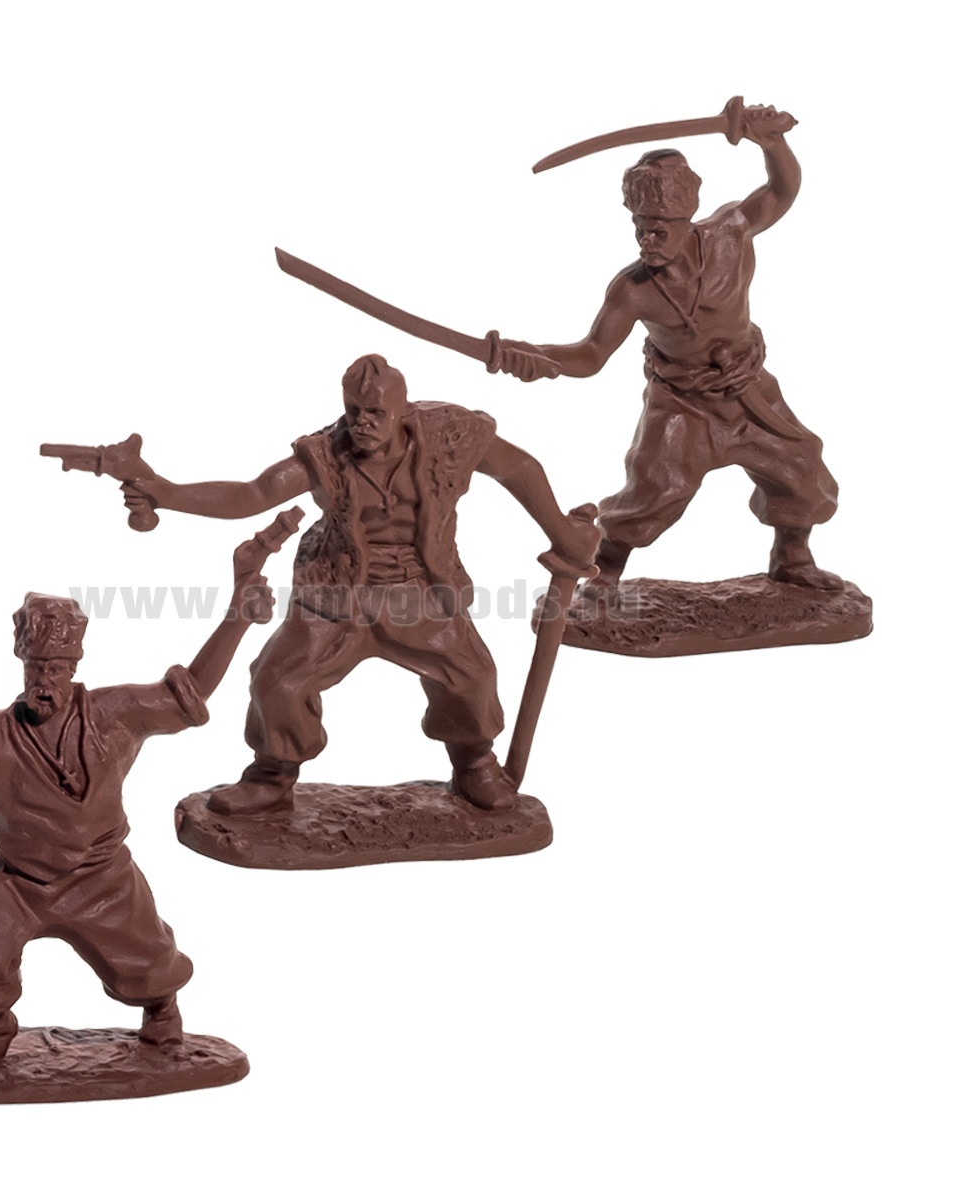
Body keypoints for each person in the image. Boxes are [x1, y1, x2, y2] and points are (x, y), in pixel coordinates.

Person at [0, 546, 275, 1066]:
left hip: (102, 877)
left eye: (58, 668)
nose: (47, 681)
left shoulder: (117, 714)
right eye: (38, 668)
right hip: (19, 882)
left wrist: (237, 619)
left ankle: (162, 1015)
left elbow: (190, 693)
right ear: (23, 667)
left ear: (74, 666)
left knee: (148, 960)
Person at [122, 353, 599, 816]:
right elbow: (255, 493)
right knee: (277, 679)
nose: (361, 423)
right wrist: (169, 494)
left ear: (403, 411)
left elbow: (519, 468)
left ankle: (475, 762)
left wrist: (561, 532)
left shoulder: (448, 435)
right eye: (353, 411)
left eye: (375, 412)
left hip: (420, 590)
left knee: (472, 675)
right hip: (337, 591)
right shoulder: (325, 455)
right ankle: (271, 777)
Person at [490, 104, 840, 590]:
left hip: (748, 389)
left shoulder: (730, 233)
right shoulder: (633, 290)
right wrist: (533, 356)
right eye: (640, 229)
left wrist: (773, 143)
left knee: (800, 465)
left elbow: (781, 191)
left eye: (659, 231)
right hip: (682, 403)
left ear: (686, 221)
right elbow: (591, 354)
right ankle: (606, 571)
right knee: (656, 491)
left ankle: (793, 558)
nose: (647, 241)